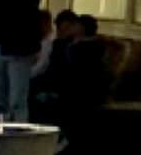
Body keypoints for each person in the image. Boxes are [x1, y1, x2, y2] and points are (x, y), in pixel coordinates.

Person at [37, 11, 115, 145]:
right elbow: (55, 67)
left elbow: (83, 72)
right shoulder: (64, 44)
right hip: (66, 84)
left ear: (82, 28)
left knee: (65, 100)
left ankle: (62, 138)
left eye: (74, 26)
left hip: (83, 87)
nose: (71, 29)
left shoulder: (93, 47)